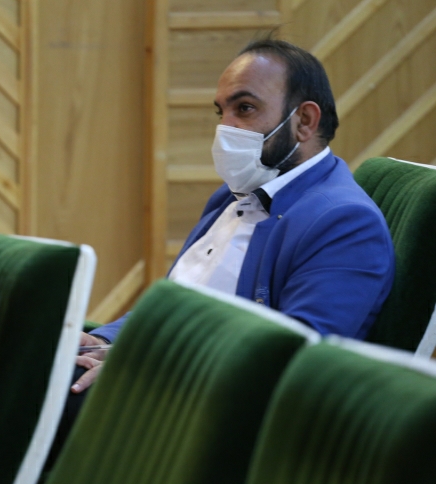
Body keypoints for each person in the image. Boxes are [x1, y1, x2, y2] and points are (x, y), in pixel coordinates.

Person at [72, 39, 394, 393]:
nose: (225, 128)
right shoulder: (233, 194)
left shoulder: (346, 223)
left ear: (304, 121)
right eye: (221, 112)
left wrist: (141, 368)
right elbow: (180, 303)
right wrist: (102, 342)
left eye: (245, 108)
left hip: (207, 403)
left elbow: (293, 362)